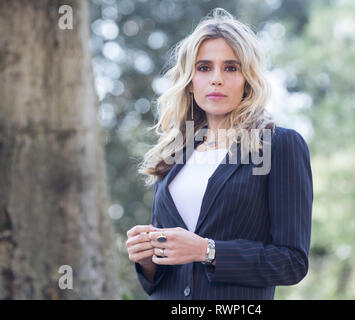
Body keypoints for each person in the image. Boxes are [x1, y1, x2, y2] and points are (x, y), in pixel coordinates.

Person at [126, 8, 313, 300]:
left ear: (248, 79)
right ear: (190, 80)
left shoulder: (278, 146)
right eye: (203, 68)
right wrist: (147, 257)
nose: (216, 79)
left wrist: (206, 250)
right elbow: (158, 281)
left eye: (230, 68)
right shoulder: (172, 154)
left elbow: (292, 262)